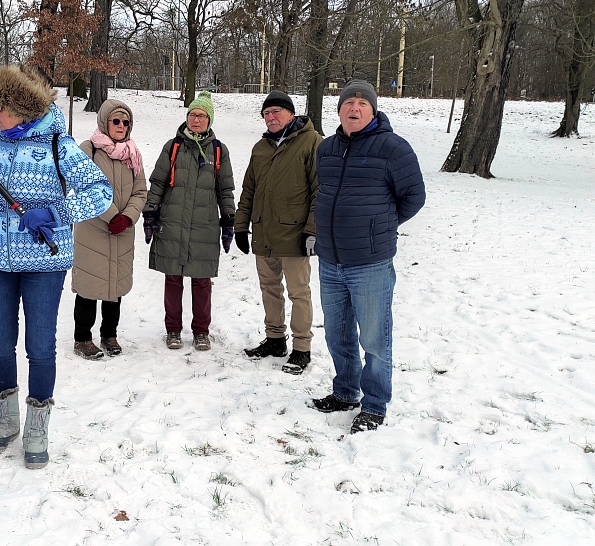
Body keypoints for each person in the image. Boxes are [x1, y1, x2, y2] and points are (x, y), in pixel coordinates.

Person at [0, 64, 112, 469]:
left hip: (43, 263)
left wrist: (53, 212)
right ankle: (7, 419)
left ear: (20, 109)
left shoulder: (59, 145)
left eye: (0, 105)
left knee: (40, 345)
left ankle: (37, 425)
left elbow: (100, 192)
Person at [309, 80, 425, 433]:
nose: (354, 108)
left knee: (374, 338)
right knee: (337, 333)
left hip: (370, 263)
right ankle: (345, 392)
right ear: (339, 110)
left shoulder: (393, 149)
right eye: (348, 103)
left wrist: (380, 225)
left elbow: (413, 197)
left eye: (362, 103)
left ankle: (375, 404)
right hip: (330, 259)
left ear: (373, 110)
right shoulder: (326, 149)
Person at [236, 90, 322, 375]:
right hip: (264, 232)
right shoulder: (260, 148)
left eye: (276, 112)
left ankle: (302, 347)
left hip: (295, 235)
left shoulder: (311, 143)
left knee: (299, 292)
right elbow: (249, 190)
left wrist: (312, 230)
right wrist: (241, 225)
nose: (270, 118)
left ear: (291, 114)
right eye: (266, 113)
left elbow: (319, 191)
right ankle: (275, 339)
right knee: (270, 288)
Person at [143, 90, 236, 351]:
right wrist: (150, 212)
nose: (196, 120)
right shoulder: (172, 147)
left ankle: (201, 332)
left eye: (202, 116)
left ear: (210, 120)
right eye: (193, 115)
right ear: (187, 117)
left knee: (201, 279)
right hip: (172, 221)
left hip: (204, 225)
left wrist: (229, 219)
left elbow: (225, 189)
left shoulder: (219, 151)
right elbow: (158, 182)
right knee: (172, 278)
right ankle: (173, 330)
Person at [70, 99, 147, 360]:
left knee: (115, 285)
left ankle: (109, 334)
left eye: (126, 122)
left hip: (123, 230)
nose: (121, 126)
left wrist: (128, 218)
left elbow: (140, 191)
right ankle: (82, 338)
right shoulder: (88, 150)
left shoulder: (133, 154)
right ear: (105, 122)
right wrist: (112, 215)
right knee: (89, 286)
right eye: (116, 121)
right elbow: (85, 188)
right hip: (93, 230)